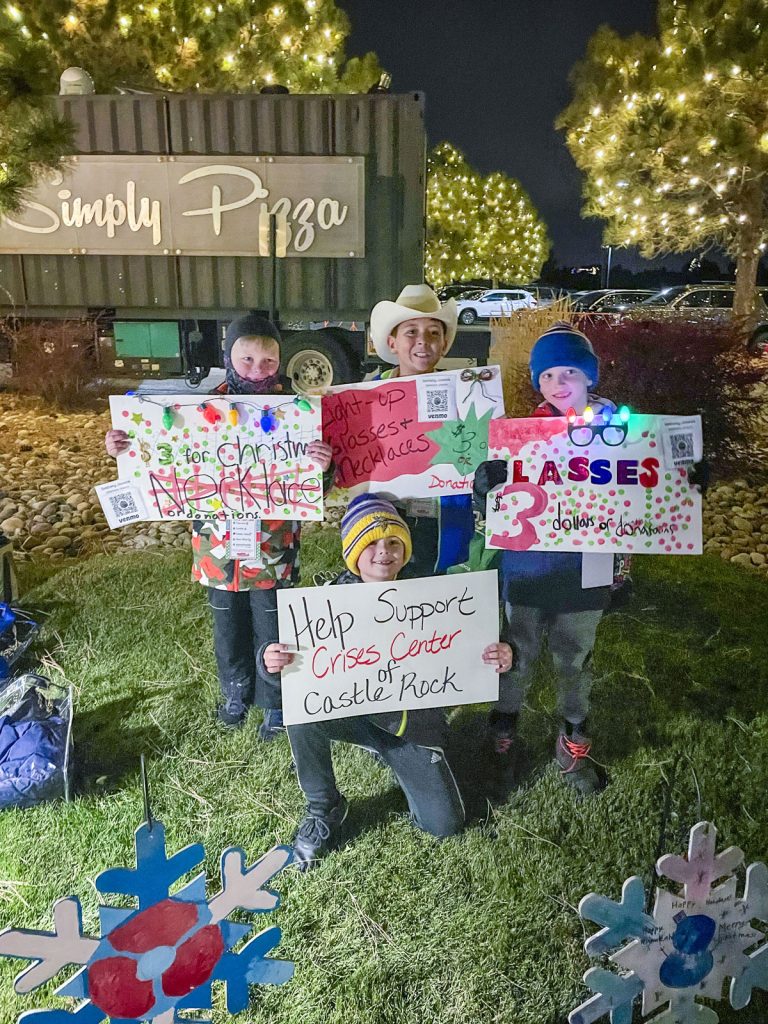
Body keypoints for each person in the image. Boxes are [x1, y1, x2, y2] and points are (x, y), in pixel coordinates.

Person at [105, 314, 333, 735]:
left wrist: (322, 465)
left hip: (273, 544)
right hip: (218, 547)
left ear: (280, 361)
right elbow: (158, 452)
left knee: (273, 623)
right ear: (229, 356)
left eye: (268, 362)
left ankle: (275, 700)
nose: (257, 371)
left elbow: (315, 486)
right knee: (226, 625)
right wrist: (123, 446)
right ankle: (235, 690)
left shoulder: (297, 412)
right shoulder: (199, 410)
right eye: (247, 360)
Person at [260, 494, 513, 869]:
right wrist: (272, 661)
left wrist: (501, 656)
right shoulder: (326, 603)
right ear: (352, 552)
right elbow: (290, 665)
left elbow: (471, 648)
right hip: (352, 715)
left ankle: (401, 758)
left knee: (444, 826)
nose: (383, 552)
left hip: (412, 727)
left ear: (406, 549)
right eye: (370, 544)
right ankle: (324, 808)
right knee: (301, 709)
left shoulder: (435, 599)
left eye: (394, 542)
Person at [474, 322, 617, 794]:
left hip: (587, 568)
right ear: (539, 382)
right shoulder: (520, 435)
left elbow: (648, 485)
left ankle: (573, 735)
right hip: (529, 567)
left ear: (590, 377)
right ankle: (503, 731)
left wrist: (686, 467)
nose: (560, 383)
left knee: (575, 656)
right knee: (517, 652)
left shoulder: (619, 431)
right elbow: (497, 500)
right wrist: (489, 484)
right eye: (549, 375)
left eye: (570, 371)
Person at [366, 284, 474, 576]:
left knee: (438, 606)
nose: (423, 341)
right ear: (392, 343)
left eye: (433, 333)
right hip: (384, 522)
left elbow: (476, 454)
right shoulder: (368, 396)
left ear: (444, 344)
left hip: (443, 523)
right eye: (411, 331)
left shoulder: (464, 395)